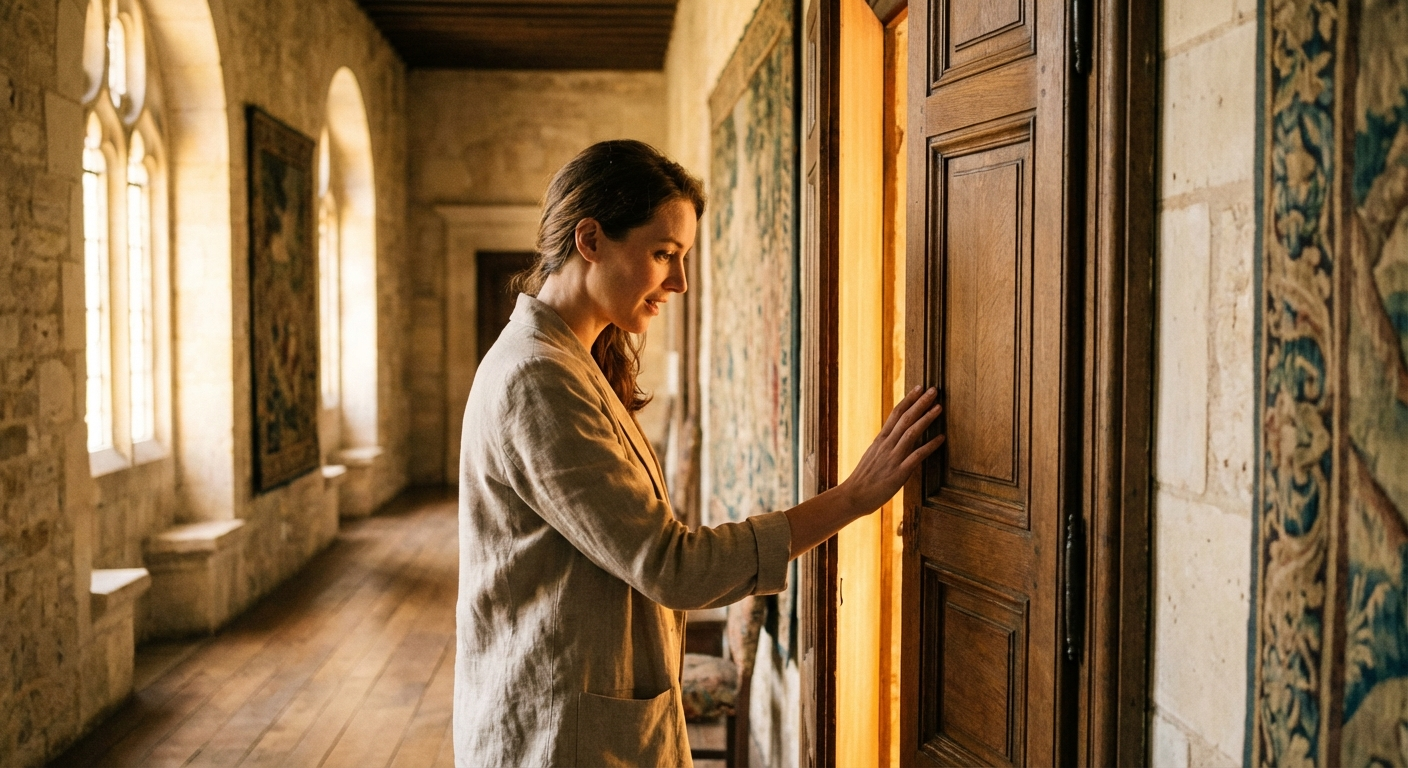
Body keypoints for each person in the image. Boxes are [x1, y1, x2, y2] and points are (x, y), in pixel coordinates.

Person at [454, 139, 943, 767]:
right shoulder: (536, 378)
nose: (680, 282)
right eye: (664, 255)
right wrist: (851, 499)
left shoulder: (569, 362)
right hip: (560, 736)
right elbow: (672, 567)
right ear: (590, 240)